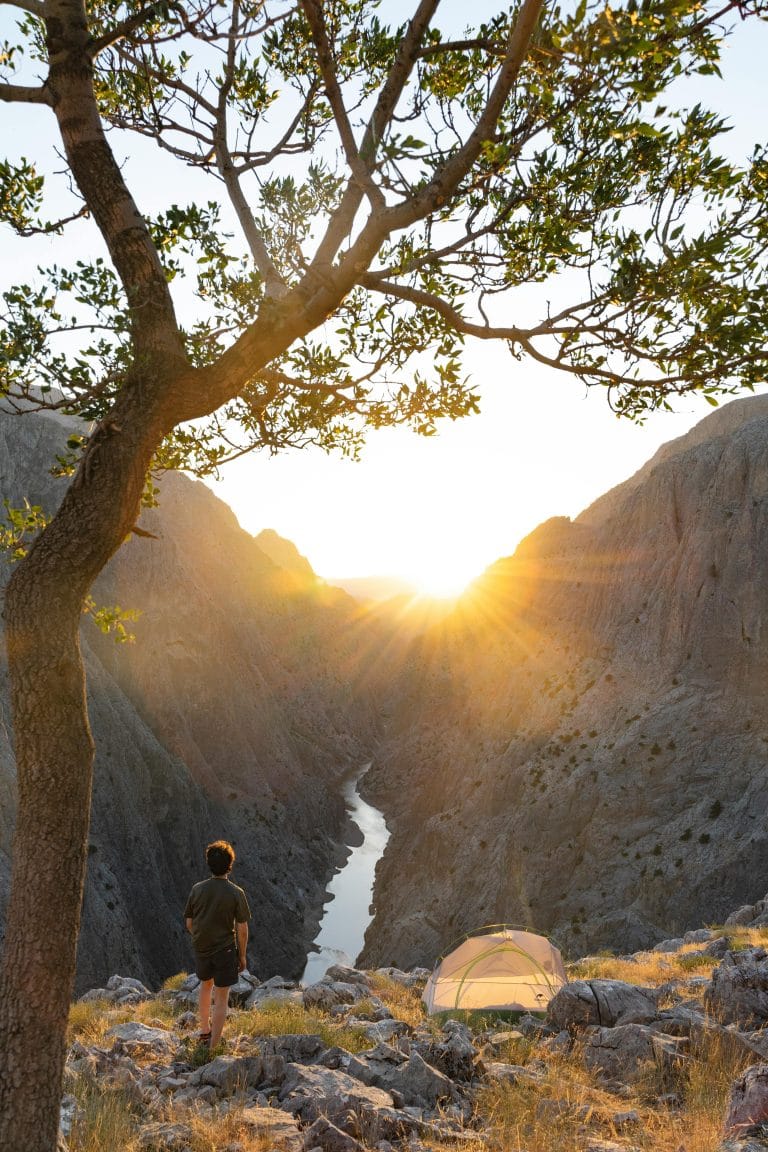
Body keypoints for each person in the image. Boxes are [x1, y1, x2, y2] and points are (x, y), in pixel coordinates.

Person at [184, 839, 251, 1050]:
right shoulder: (236, 893)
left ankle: (204, 1031)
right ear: (230, 864)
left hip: (202, 947)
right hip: (225, 949)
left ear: (209, 863)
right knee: (221, 997)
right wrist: (242, 956)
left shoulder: (197, 889)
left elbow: (189, 922)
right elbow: (242, 928)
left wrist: (200, 937)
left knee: (205, 986)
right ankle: (213, 1047)